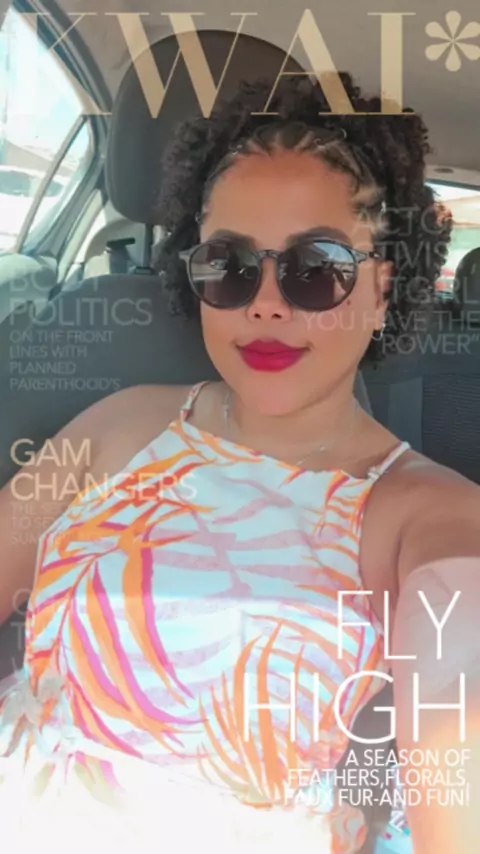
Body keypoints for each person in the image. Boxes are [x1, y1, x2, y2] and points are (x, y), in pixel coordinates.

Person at [0, 72, 479, 854]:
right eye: (229, 264)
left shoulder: (429, 516)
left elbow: (458, 743)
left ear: (382, 289)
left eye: (316, 267)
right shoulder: (122, 423)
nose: (265, 302)